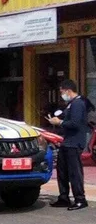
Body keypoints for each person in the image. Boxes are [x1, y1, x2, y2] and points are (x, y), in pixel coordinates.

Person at [47, 79, 88, 210]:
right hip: (66, 142)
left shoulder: (78, 104)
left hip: (74, 143)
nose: (61, 94)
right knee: (62, 170)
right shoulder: (71, 104)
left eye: (62, 91)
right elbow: (64, 116)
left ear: (68, 90)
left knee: (74, 172)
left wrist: (59, 123)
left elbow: (75, 123)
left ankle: (80, 199)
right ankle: (63, 197)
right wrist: (56, 119)